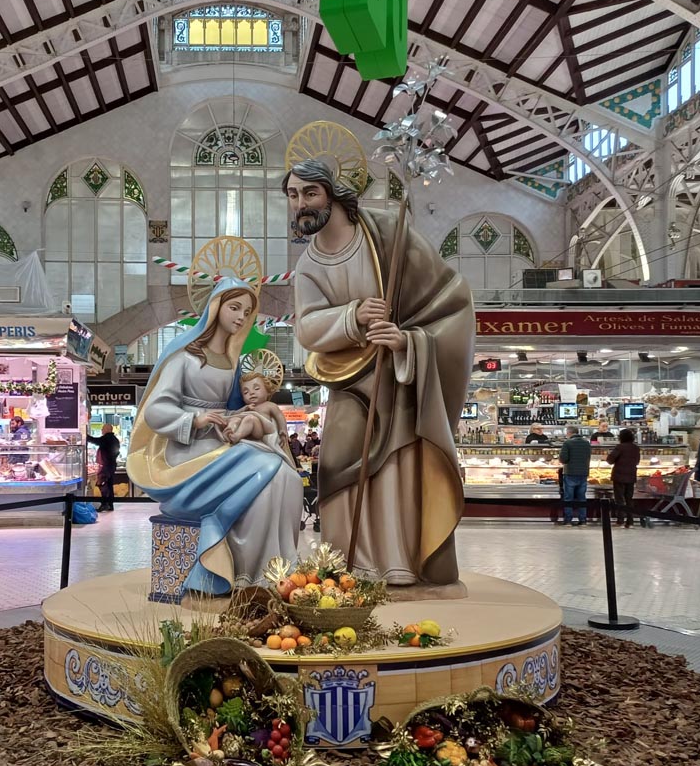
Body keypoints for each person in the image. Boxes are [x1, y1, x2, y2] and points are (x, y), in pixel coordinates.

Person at [291, 158, 473, 586]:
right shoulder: (308, 266)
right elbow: (306, 328)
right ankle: (349, 562)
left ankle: (398, 560)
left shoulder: (387, 233)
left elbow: (448, 301)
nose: (300, 204)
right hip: (349, 384)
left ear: (334, 193)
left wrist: (409, 340)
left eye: (309, 193)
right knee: (338, 464)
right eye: (293, 195)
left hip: (402, 380)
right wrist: (353, 316)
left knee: (395, 468)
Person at [128, 279, 302, 592]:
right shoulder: (185, 358)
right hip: (187, 450)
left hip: (222, 443)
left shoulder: (234, 364)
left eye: (246, 311)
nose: (240, 317)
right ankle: (248, 572)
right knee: (266, 468)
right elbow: (155, 411)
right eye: (234, 307)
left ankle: (276, 569)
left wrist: (248, 419)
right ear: (215, 307)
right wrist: (195, 419)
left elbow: (241, 409)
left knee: (286, 476)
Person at [224, 372, 288, 448]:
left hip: (262, 430)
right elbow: (237, 414)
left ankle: (236, 436)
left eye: (256, 388)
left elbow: (279, 416)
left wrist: (283, 430)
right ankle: (229, 433)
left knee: (251, 418)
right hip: (249, 431)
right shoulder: (247, 407)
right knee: (235, 419)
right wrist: (245, 408)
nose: (251, 393)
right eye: (246, 392)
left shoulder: (269, 405)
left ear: (268, 391)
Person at [606, 428, 640, 528]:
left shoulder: (620, 447)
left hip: (619, 476)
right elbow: (637, 461)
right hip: (631, 475)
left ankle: (620, 521)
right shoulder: (635, 448)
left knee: (620, 499)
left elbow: (610, 460)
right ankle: (630, 522)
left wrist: (607, 458)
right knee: (629, 499)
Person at [558, 426, 592, 526]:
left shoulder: (567, 443)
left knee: (569, 497)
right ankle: (583, 520)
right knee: (582, 498)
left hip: (570, 473)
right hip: (583, 473)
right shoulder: (586, 443)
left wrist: (560, 459)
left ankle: (568, 520)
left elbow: (563, 459)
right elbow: (588, 457)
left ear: (569, 433)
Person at [87, 423, 121, 512]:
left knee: (102, 484)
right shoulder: (115, 440)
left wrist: (85, 436)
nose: (102, 430)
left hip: (106, 466)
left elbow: (96, 441)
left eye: (103, 428)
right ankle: (110, 504)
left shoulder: (107, 438)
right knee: (109, 485)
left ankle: (104, 504)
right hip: (111, 465)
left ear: (107, 429)